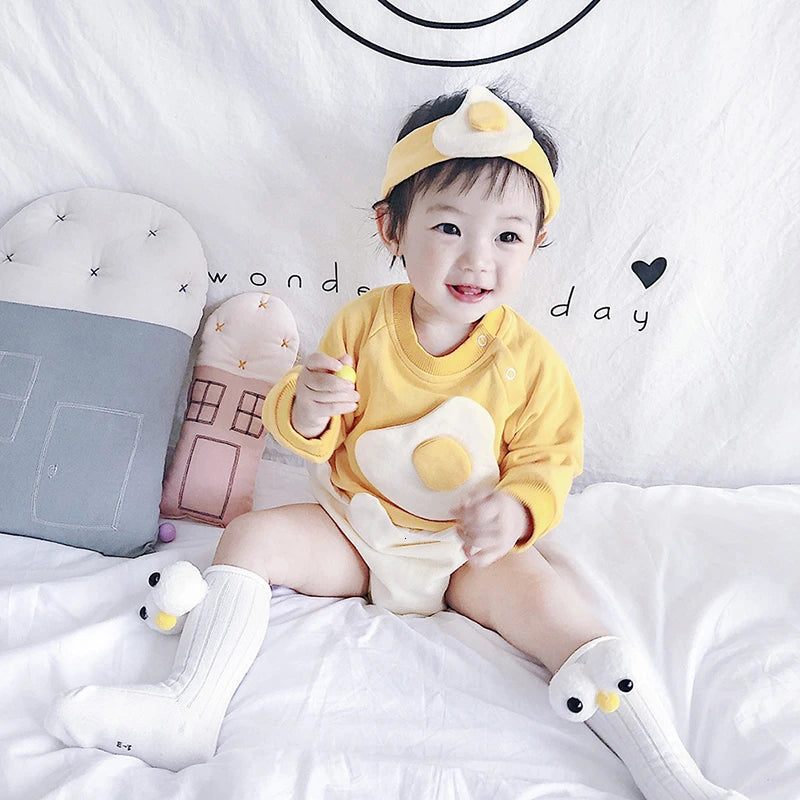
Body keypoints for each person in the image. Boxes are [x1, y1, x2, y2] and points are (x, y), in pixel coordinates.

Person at [45, 86, 746, 799]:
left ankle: (671, 775)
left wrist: (518, 510)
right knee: (251, 539)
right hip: (357, 531)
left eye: (507, 236)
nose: (478, 259)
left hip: (466, 554)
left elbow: (550, 458)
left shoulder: (529, 363)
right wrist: (312, 404)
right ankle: (188, 706)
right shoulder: (365, 325)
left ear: (535, 245)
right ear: (392, 228)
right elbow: (310, 429)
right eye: (449, 228)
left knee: (563, 613)